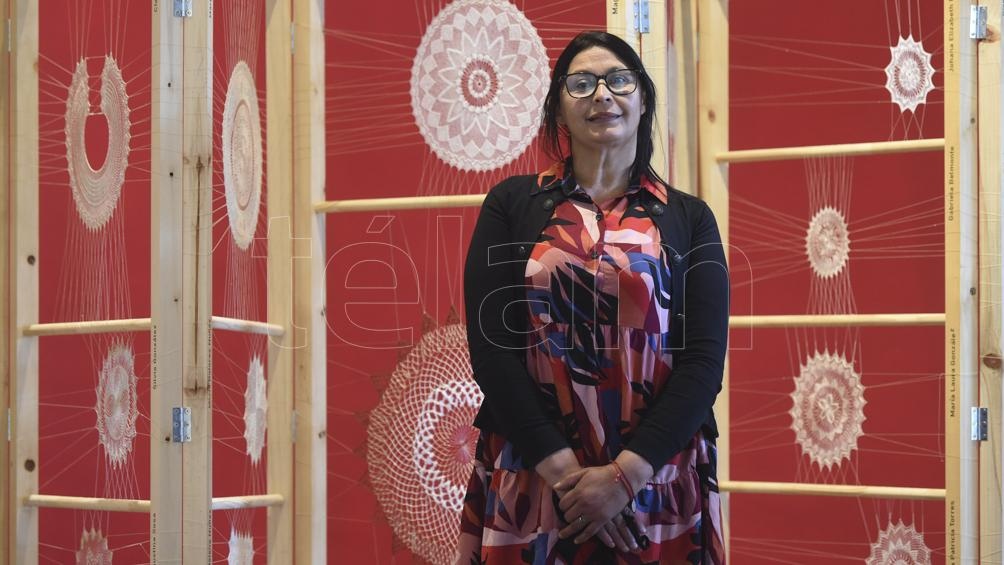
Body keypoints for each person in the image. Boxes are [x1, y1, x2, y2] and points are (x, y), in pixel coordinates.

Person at [457, 30, 728, 564]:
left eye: (619, 81)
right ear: (559, 108)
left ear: (643, 99)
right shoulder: (511, 205)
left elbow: (703, 363)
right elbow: (492, 353)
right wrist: (569, 478)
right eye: (581, 84)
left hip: (655, 479)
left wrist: (623, 479)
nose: (602, 94)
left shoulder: (690, 218)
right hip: (535, 474)